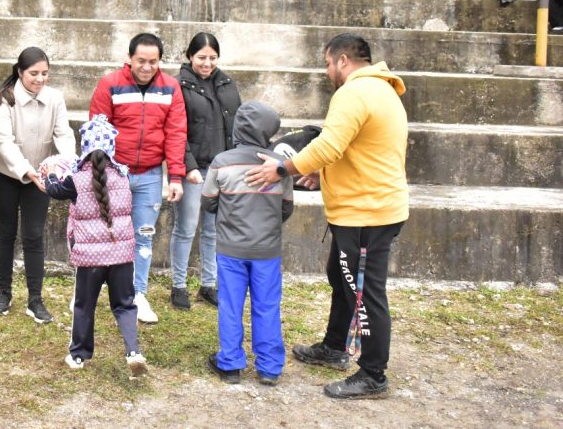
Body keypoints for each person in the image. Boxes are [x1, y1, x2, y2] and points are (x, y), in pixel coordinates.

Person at [246, 33, 409, 400]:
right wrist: (323, 173)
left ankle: (372, 374)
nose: (327, 71)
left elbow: (329, 143)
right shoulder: (380, 89)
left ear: (344, 60)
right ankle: (335, 347)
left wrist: (283, 169)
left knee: (365, 292)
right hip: (366, 206)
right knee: (341, 276)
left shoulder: (354, 92)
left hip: (368, 212)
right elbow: (360, 147)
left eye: (327, 63)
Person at [89, 33, 187, 324]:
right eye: (141, 61)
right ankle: (89, 292)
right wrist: (100, 173)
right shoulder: (110, 84)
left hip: (150, 175)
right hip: (114, 172)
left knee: (144, 235)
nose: (146, 67)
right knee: (104, 233)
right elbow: (97, 131)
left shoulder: (170, 88)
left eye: (153, 62)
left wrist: (176, 176)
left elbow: (176, 133)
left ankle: (137, 294)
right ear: (130, 58)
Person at [46, 116, 147, 375]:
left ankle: (79, 355)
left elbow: (54, 190)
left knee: (85, 305)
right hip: (122, 255)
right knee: (125, 304)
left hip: (90, 260)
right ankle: (133, 351)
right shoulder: (124, 176)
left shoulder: (76, 180)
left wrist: (50, 174)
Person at [203, 102, 294, 386]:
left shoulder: (221, 161)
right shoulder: (279, 167)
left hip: (230, 249)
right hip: (267, 251)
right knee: (267, 305)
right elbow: (286, 208)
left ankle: (230, 364)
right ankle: (269, 367)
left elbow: (208, 202)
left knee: (230, 305)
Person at [0, 47, 75, 322]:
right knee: (6, 232)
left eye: (45, 73)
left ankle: (35, 299)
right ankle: (4, 293)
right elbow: (4, 142)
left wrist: (69, 165)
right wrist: (27, 170)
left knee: (34, 235)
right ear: (20, 72)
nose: (40, 79)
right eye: (33, 73)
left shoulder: (55, 98)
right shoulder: (4, 100)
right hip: (4, 173)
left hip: (41, 176)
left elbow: (64, 134)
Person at [170, 32, 240, 312]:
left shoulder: (226, 83)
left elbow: (236, 123)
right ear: (190, 56)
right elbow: (177, 131)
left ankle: (208, 284)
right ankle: (178, 285)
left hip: (220, 166)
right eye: (201, 57)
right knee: (186, 227)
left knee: (212, 229)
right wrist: (187, 166)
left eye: (212, 57)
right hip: (193, 168)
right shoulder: (179, 85)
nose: (207, 63)